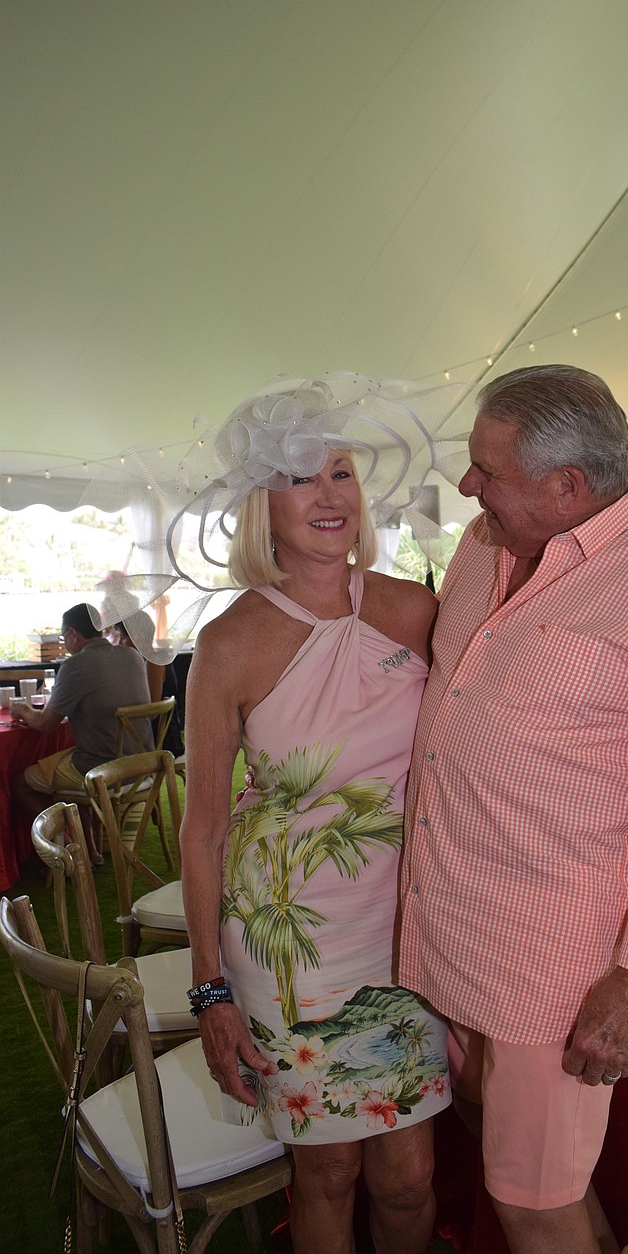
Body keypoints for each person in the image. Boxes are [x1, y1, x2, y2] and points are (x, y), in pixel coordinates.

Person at [398, 365, 628, 1254]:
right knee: (523, 1174)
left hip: (551, 961)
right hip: (453, 933)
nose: (467, 486)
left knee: (531, 1199)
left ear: (569, 486)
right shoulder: (482, 549)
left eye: (488, 470)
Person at [176, 373, 459, 1254]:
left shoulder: (414, 609)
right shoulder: (228, 643)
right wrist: (209, 984)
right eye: (303, 477)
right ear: (264, 504)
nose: (330, 494)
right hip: (289, 943)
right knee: (327, 1173)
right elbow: (205, 828)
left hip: (405, 931)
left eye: (341, 472)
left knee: (410, 1178)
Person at [10, 602, 152, 861]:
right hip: (143, 765)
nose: (64, 643)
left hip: (100, 770)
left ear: (74, 634)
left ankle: (64, 847)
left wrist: (21, 708)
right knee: (69, 759)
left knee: (21, 783)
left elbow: (45, 724)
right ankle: (90, 848)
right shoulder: (133, 656)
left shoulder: (75, 665)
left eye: (64, 636)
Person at [113, 616, 184, 756]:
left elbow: (153, 711)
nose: (120, 643)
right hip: (149, 734)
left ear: (138, 637)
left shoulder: (154, 662)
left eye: (123, 638)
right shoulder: (143, 661)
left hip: (160, 740)